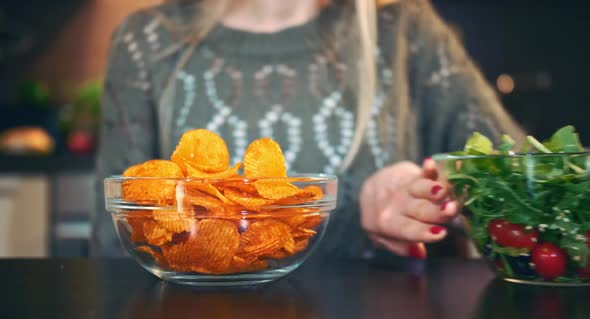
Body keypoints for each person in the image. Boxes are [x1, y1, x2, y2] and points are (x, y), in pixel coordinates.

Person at [92, 0, 523, 259]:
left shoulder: (407, 34)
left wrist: (434, 196)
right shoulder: (146, 42)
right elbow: (116, 247)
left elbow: (526, 193)